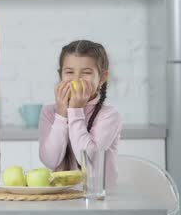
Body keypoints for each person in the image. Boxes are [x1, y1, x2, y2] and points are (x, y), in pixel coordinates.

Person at [38, 40, 122, 187]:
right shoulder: (49, 112)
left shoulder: (109, 115)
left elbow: (89, 160)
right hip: (63, 197)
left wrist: (75, 111)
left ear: (102, 78)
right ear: (61, 75)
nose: (76, 79)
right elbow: (50, 160)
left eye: (87, 73)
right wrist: (62, 115)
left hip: (100, 200)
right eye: (69, 72)